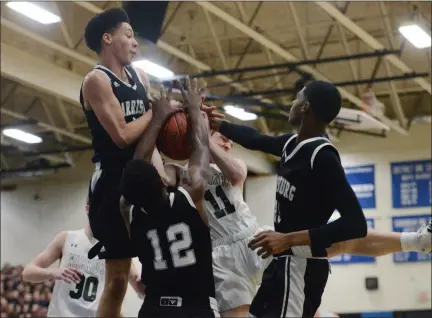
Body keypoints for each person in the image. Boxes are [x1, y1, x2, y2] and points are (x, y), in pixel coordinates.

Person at [209, 80, 368, 317]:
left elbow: (356, 223)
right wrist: (214, 124)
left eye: (298, 98)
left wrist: (288, 239)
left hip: (302, 266)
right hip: (281, 263)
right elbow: (255, 139)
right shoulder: (291, 144)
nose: (292, 103)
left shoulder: (322, 156)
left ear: (306, 108)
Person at [80, 7, 178, 316]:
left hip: (144, 177)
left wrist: (162, 177)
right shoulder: (96, 80)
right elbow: (122, 134)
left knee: (160, 270)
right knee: (119, 279)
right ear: (108, 39)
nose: (135, 42)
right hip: (112, 182)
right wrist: (157, 113)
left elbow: (150, 135)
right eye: (129, 35)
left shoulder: (141, 76)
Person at [119, 78, 219, 317]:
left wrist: (156, 119)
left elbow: (136, 165)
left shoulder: (128, 209)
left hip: (154, 308)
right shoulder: (189, 195)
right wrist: (193, 108)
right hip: (195, 307)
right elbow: (201, 149)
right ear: (160, 181)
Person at [21, 198, 145, 317]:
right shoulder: (66, 238)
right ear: (87, 209)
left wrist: (144, 285)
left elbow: (140, 288)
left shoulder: (117, 250)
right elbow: (28, 272)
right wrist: (53, 273)